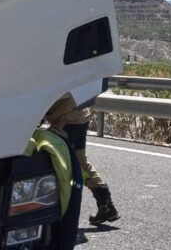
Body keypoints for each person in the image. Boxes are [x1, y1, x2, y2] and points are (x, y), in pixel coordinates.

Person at [45, 95, 121, 225]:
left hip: (68, 121)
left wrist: (51, 115)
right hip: (77, 117)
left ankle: (59, 211)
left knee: (67, 164)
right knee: (79, 163)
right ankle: (106, 206)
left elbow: (67, 97)